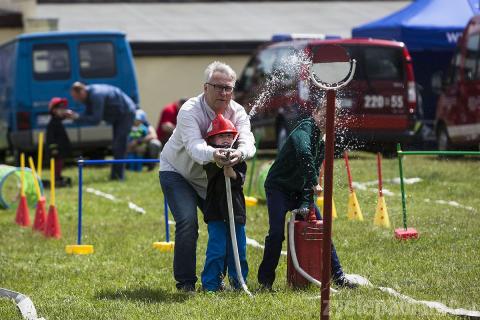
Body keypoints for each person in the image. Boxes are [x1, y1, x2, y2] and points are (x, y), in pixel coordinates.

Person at [159, 61, 255, 292]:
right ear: (206, 88)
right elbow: (194, 148)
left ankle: (217, 281)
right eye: (219, 87)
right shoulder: (190, 110)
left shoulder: (238, 111)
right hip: (177, 172)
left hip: (211, 180)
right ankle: (186, 283)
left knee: (224, 223)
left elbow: (249, 142)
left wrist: (239, 153)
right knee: (188, 222)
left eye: (229, 88)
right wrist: (218, 154)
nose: (224, 93)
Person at [257, 105, 358, 290]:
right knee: (276, 233)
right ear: (315, 113)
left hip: (298, 190)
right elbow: (304, 155)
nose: (327, 118)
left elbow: (313, 169)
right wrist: (314, 182)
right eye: (324, 113)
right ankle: (265, 282)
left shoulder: (325, 140)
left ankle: (338, 277)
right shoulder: (304, 129)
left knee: (322, 229)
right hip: (278, 187)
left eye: (332, 116)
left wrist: (306, 201)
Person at [201, 114, 248, 292]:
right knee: (217, 250)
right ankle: (211, 286)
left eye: (229, 135)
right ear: (212, 139)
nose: (226, 139)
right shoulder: (209, 158)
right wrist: (223, 162)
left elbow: (238, 178)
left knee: (239, 250)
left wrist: (231, 167)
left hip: (236, 212)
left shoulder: (239, 158)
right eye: (221, 136)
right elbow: (214, 168)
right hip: (216, 212)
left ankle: (238, 284)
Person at [66, 82, 136, 180]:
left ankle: (119, 176)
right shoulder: (88, 95)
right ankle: (116, 175)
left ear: (81, 92)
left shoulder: (96, 95)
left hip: (126, 113)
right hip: (118, 116)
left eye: (76, 96)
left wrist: (77, 117)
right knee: (117, 145)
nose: (75, 99)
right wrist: (75, 116)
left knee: (119, 145)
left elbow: (96, 119)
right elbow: (87, 114)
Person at [46, 97, 72, 187]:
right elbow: (50, 138)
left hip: (61, 149)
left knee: (60, 164)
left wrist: (68, 114)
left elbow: (64, 117)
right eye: (60, 109)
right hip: (56, 150)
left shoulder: (58, 120)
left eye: (64, 109)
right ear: (53, 110)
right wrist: (53, 149)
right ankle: (56, 178)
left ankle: (58, 177)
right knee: (57, 164)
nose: (63, 111)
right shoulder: (53, 123)